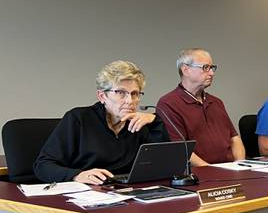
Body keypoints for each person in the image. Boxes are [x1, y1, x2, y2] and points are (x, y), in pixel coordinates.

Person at [34, 61, 168, 184]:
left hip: (126, 192)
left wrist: (155, 121)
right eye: (121, 92)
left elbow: (162, 165)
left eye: (134, 94)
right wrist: (76, 175)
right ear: (102, 96)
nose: (130, 101)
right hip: (86, 193)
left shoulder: (140, 124)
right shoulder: (79, 118)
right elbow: (43, 165)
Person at [156, 48, 245, 166]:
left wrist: (240, 165)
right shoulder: (168, 104)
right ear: (186, 70)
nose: (212, 73)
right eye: (205, 68)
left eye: (212, 68)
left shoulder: (216, 102)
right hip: (201, 176)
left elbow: (234, 139)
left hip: (230, 171)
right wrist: (212, 170)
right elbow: (181, 149)